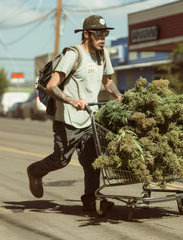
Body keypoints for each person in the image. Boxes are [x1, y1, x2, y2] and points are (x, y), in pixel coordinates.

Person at [27, 15, 121, 212]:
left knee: (93, 161)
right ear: (86, 34)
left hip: (90, 119)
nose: (103, 38)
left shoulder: (103, 55)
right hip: (68, 120)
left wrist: (119, 96)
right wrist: (72, 100)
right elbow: (52, 86)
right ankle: (34, 171)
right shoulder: (73, 55)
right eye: (99, 34)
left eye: (106, 33)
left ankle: (90, 199)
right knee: (60, 160)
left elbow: (107, 82)